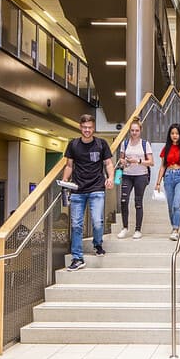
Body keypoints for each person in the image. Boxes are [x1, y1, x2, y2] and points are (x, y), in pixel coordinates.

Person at [62, 114, 114, 271]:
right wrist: (65, 183)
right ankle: (77, 258)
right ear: (80, 127)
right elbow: (69, 166)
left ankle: (97, 243)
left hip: (97, 188)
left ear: (94, 128)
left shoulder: (101, 144)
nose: (87, 130)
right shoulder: (73, 144)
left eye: (90, 128)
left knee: (97, 222)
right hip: (78, 190)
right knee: (76, 225)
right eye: (84, 128)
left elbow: (109, 163)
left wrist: (110, 177)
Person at [116, 117, 154, 240]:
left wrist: (137, 161)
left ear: (140, 131)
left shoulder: (145, 144)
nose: (134, 133)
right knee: (123, 200)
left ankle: (138, 229)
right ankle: (125, 227)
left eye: (136, 130)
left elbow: (151, 162)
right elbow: (121, 160)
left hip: (141, 176)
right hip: (127, 174)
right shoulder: (125, 143)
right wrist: (123, 161)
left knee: (138, 202)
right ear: (129, 131)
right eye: (132, 130)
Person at [155, 123, 180, 241]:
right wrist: (158, 182)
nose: (174, 136)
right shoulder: (166, 148)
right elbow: (162, 166)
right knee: (171, 206)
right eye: (172, 133)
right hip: (168, 176)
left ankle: (176, 229)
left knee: (177, 204)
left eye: (177, 133)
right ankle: (174, 227)